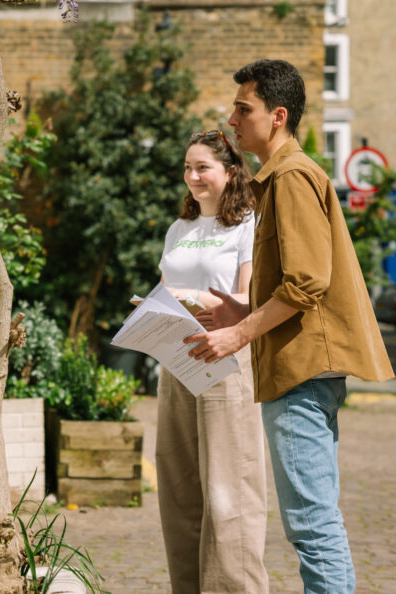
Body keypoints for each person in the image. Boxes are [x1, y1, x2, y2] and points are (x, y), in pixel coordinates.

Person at [184, 60, 394, 593]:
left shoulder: (292, 177)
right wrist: (240, 312)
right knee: (312, 521)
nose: (232, 118)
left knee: (311, 525)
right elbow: (293, 280)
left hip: (302, 371)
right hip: (297, 368)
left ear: (277, 117)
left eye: (243, 108)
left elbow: (306, 282)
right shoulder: (276, 178)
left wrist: (238, 334)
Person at [156, 130, 270, 593]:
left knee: (229, 491)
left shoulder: (247, 225)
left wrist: (194, 296)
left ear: (230, 171)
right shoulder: (179, 229)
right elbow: (165, 288)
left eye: (203, 167)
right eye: (188, 167)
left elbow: (246, 298)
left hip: (226, 355)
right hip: (176, 354)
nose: (193, 176)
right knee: (179, 487)